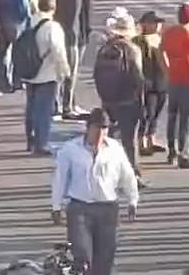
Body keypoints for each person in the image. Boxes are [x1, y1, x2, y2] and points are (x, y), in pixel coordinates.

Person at [51, 107, 138, 275]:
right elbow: (60, 178)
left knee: (105, 260)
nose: (100, 133)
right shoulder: (71, 149)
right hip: (80, 209)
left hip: (107, 209)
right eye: (97, 128)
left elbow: (128, 175)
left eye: (104, 129)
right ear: (88, 127)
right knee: (83, 257)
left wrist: (132, 200)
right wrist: (56, 206)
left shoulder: (115, 149)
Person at [92, 10, 145, 181]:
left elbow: (96, 74)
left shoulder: (104, 49)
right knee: (129, 140)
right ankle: (133, 174)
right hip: (128, 100)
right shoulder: (132, 49)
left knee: (109, 139)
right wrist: (141, 99)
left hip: (108, 100)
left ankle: (107, 173)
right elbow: (138, 76)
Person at [24, 0, 70, 156]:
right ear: (54, 7)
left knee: (31, 108)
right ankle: (41, 143)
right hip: (47, 73)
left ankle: (30, 140)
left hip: (29, 71)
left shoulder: (29, 21)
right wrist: (64, 71)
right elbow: (58, 51)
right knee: (43, 110)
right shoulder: (52, 27)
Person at [161, 2, 189, 168]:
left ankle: (171, 151)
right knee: (185, 119)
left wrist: (167, 70)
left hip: (173, 80)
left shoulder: (169, 32)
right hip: (188, 82)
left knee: (172, 116)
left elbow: (161, 51)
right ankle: (183, 153)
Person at [133, 11, 167, 157]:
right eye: (154, 22)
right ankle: (141, 142)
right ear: (145, 24)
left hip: (161, 80)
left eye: (159, 22)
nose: (158, 25)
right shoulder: (139, 40)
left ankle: (151, 139)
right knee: (147, 113)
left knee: (157, 112)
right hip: (148, 81)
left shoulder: (159, 38)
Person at [52, 0, 84, 120]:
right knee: (70, 75)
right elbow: (73, 21)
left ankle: (54, 104)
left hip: (55, 37)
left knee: (57, 73)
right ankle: (67, 106)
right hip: (70, 39)